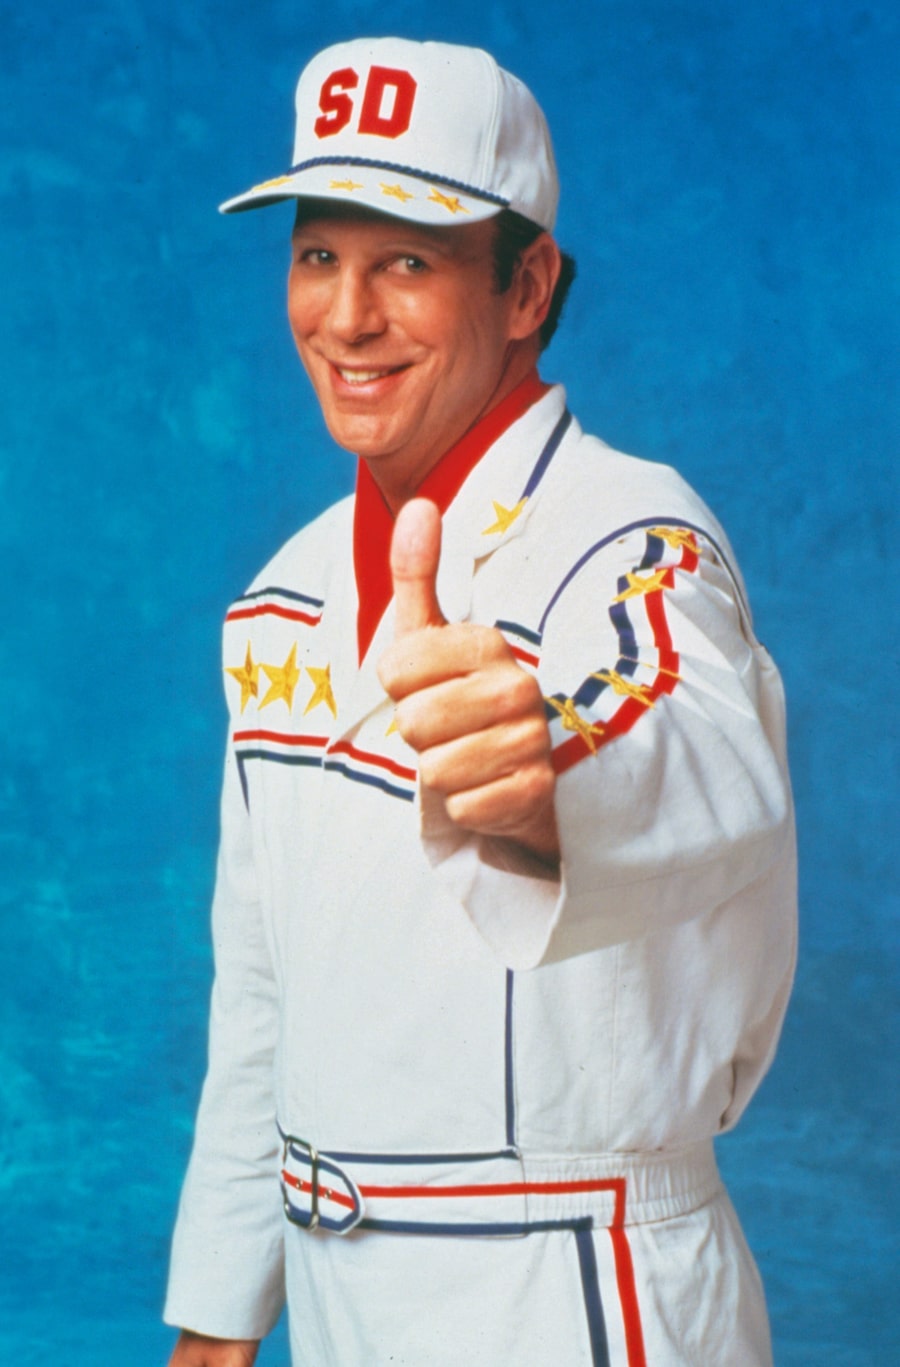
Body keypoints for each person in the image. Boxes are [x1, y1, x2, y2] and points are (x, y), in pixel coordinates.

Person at [165, 36, 796, 1367]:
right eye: (318, 255)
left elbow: (705, 755)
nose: (346, 317)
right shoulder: (278, 599)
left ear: (528, 287)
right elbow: (262, 984)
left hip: (571, 1285)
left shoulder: (635, 537)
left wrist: (553, 768)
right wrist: (221, 1302)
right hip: (335, 1285)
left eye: (408, 262)